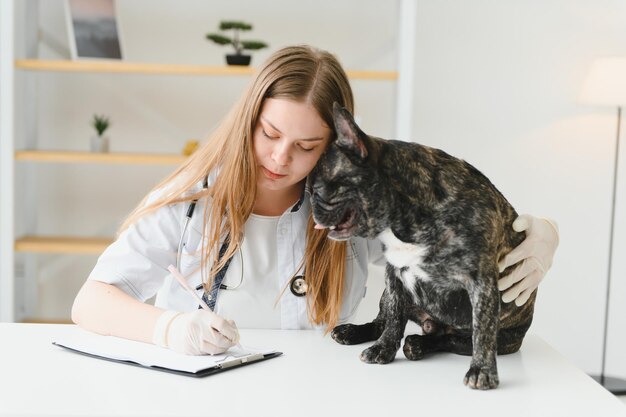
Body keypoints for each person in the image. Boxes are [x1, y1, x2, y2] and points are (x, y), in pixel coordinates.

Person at [71, 45, 559, 356]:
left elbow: (451, 217)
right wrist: (171, 329)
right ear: (249, 120)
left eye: (307, 147)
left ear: (335, 148)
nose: (281, 158)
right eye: (270, 133)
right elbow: (90, 302)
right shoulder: (189, 202)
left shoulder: (351, 211)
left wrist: (541, 231)